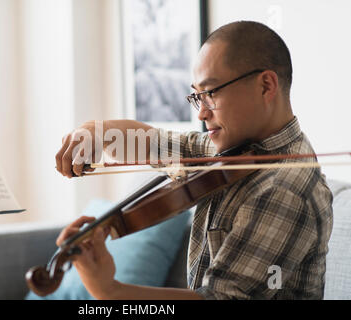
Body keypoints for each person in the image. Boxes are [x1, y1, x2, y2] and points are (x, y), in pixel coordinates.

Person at [55, 21, 333, 300]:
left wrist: (109, 291)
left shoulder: (283, 188)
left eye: (211, 93)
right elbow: (156, 144)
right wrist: (98, 132)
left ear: (265, 86)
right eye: (197, 96)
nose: (201, 113)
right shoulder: (236, 151)